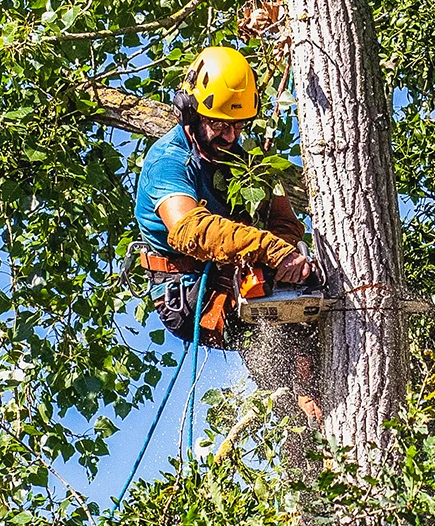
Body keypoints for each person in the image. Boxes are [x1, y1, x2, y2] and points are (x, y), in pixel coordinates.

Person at [133, 45, 322, 425]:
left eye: (237, 126)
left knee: (305, 306)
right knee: (286, 346)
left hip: (232, 271)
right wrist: (269, 252)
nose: (229, 135)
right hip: (188, 290)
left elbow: (283, 218)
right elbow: (190, 229)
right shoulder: (168, 162)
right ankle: (301, 408)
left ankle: (300, 407)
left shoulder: (244, 156)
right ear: (191, 113)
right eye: (218, 125)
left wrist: (287, 256)